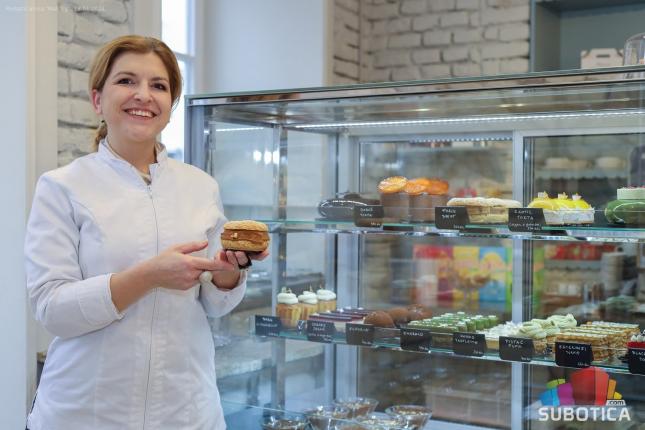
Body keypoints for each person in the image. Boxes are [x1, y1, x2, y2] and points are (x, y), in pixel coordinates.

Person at [24, 35, 266, 430]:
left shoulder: (201, 187)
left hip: (186, 412)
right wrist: (149, 276)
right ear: (97, 99)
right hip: (86, 412)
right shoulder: (62, 187)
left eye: (158, 85)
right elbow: (52, 310)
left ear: (170, 105)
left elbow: (216, 304)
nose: (143, 95)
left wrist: (227, 274)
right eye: (126, 81)